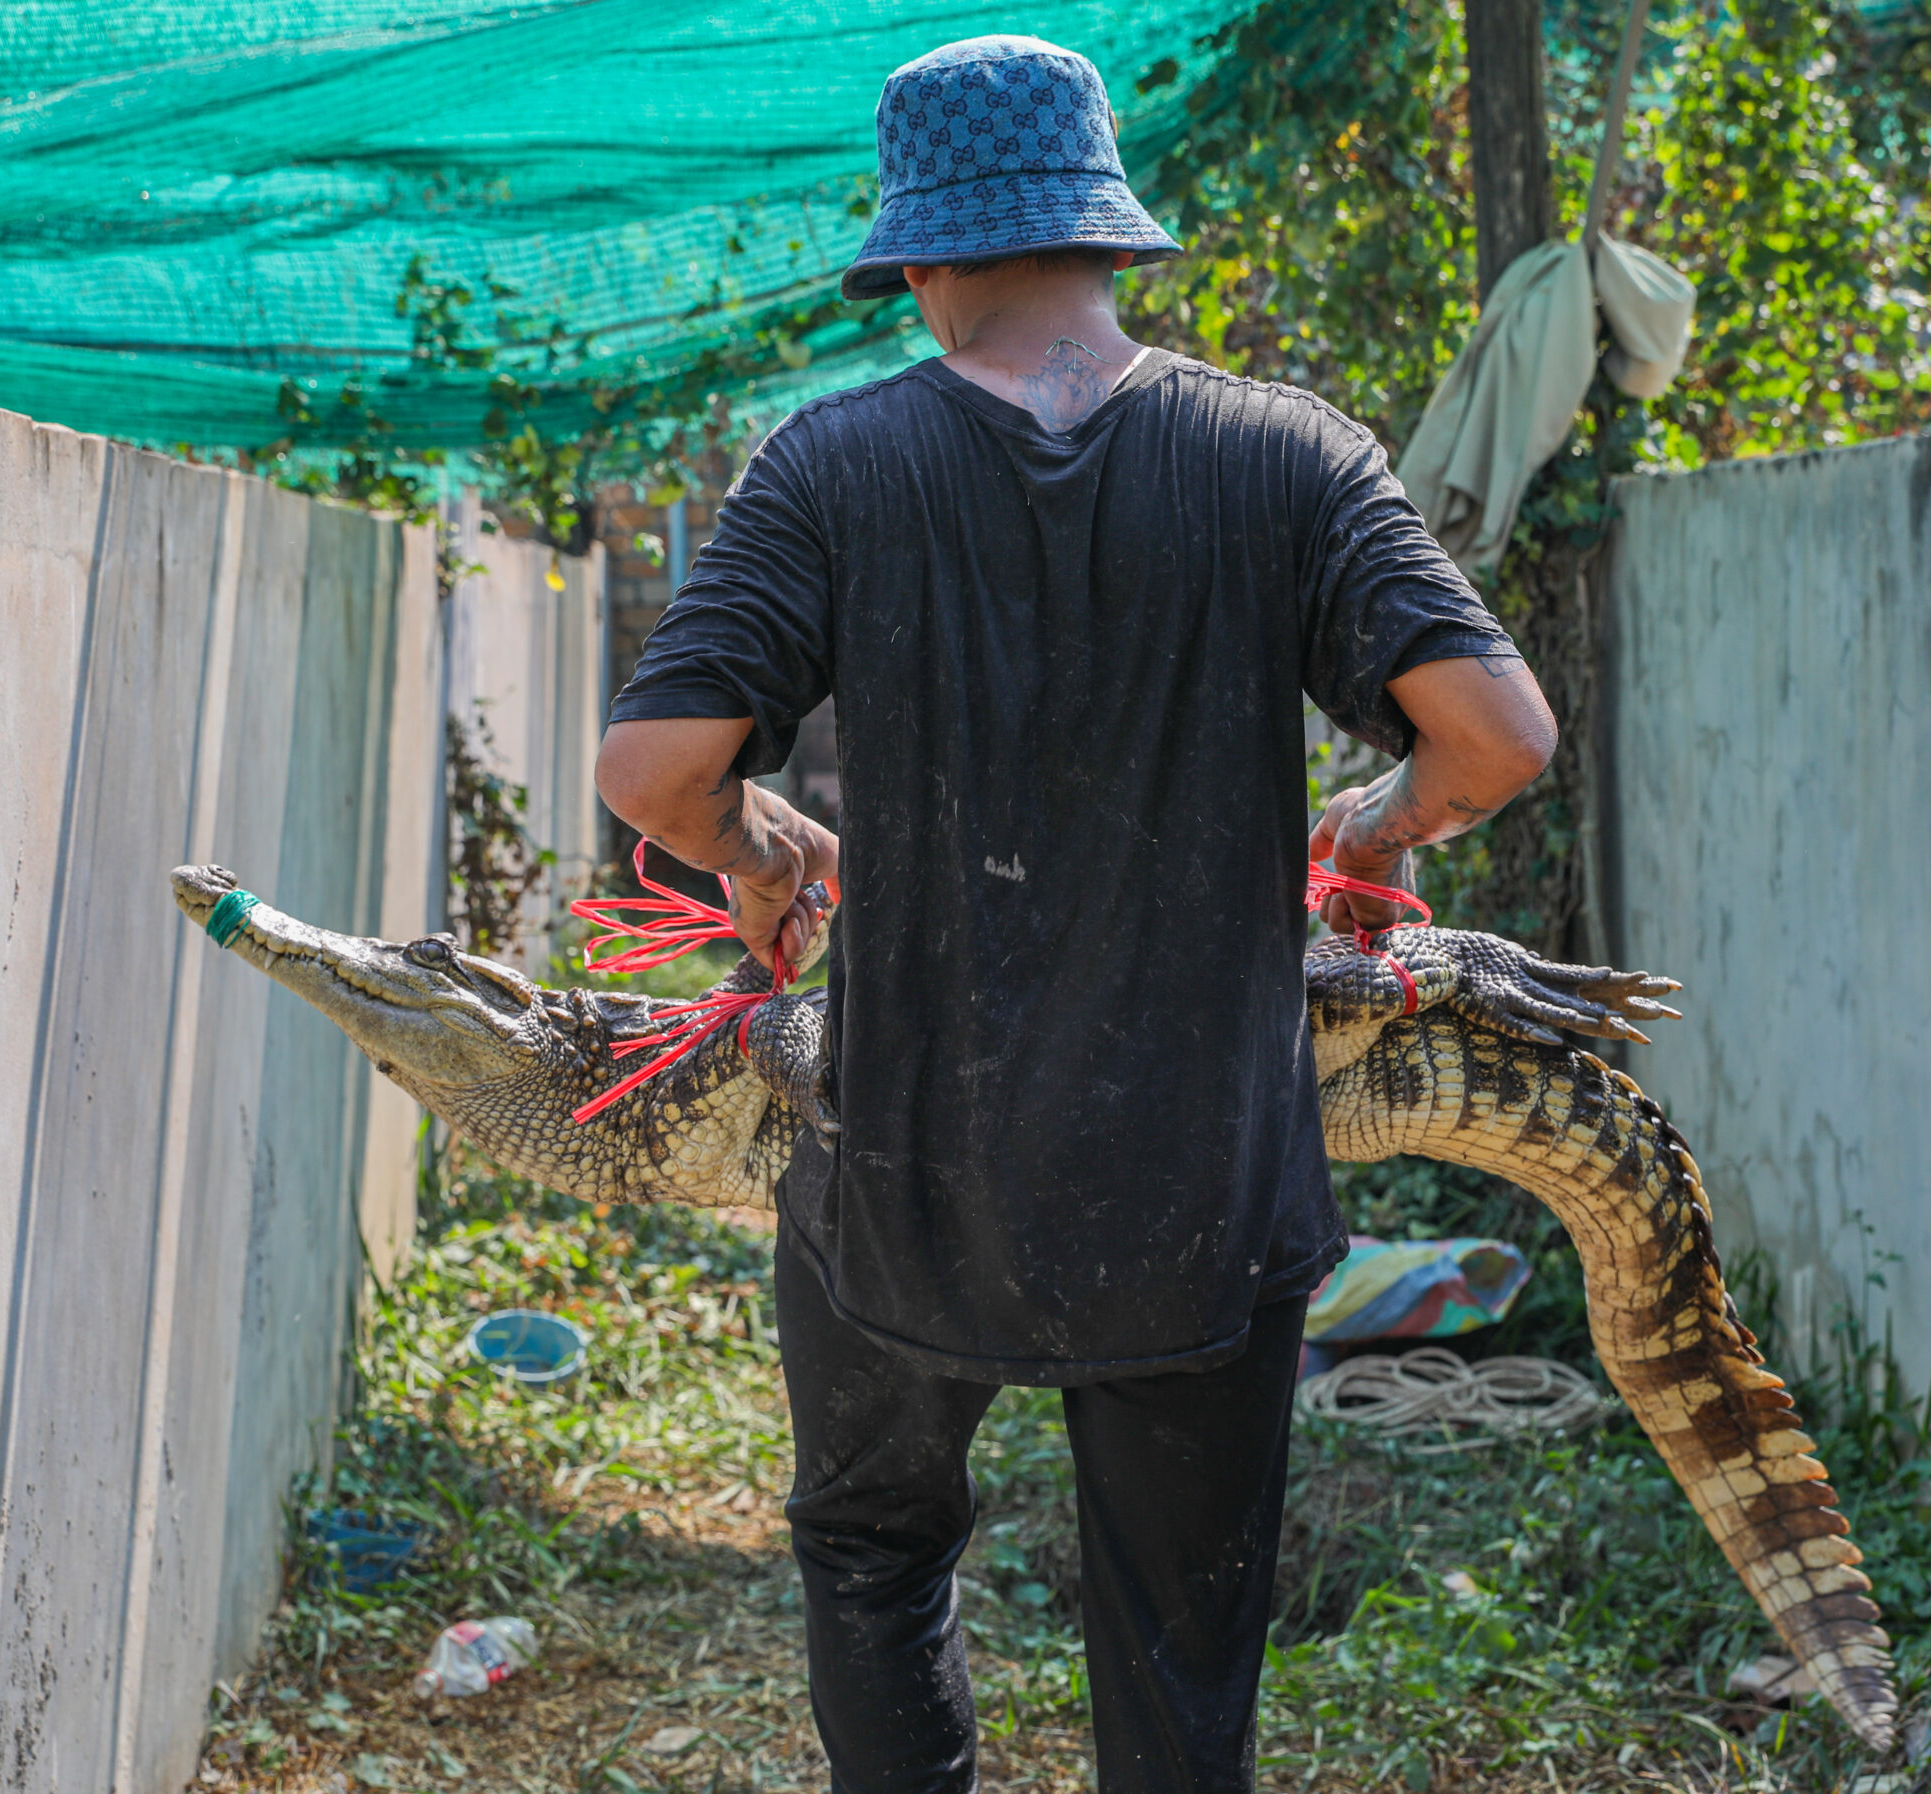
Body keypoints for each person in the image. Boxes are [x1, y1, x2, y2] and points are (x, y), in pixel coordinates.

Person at [594, 35, 1558, 1794]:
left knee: (878, 1558)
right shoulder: (1288, 457)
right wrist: (1383, 818)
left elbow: (654, 772)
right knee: (1182, 1657)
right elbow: (1499, 738)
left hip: (904, 1173)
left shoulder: (831, 469)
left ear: (924, 262)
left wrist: (757, 849)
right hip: (1204, 1190)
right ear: (1109, 237)